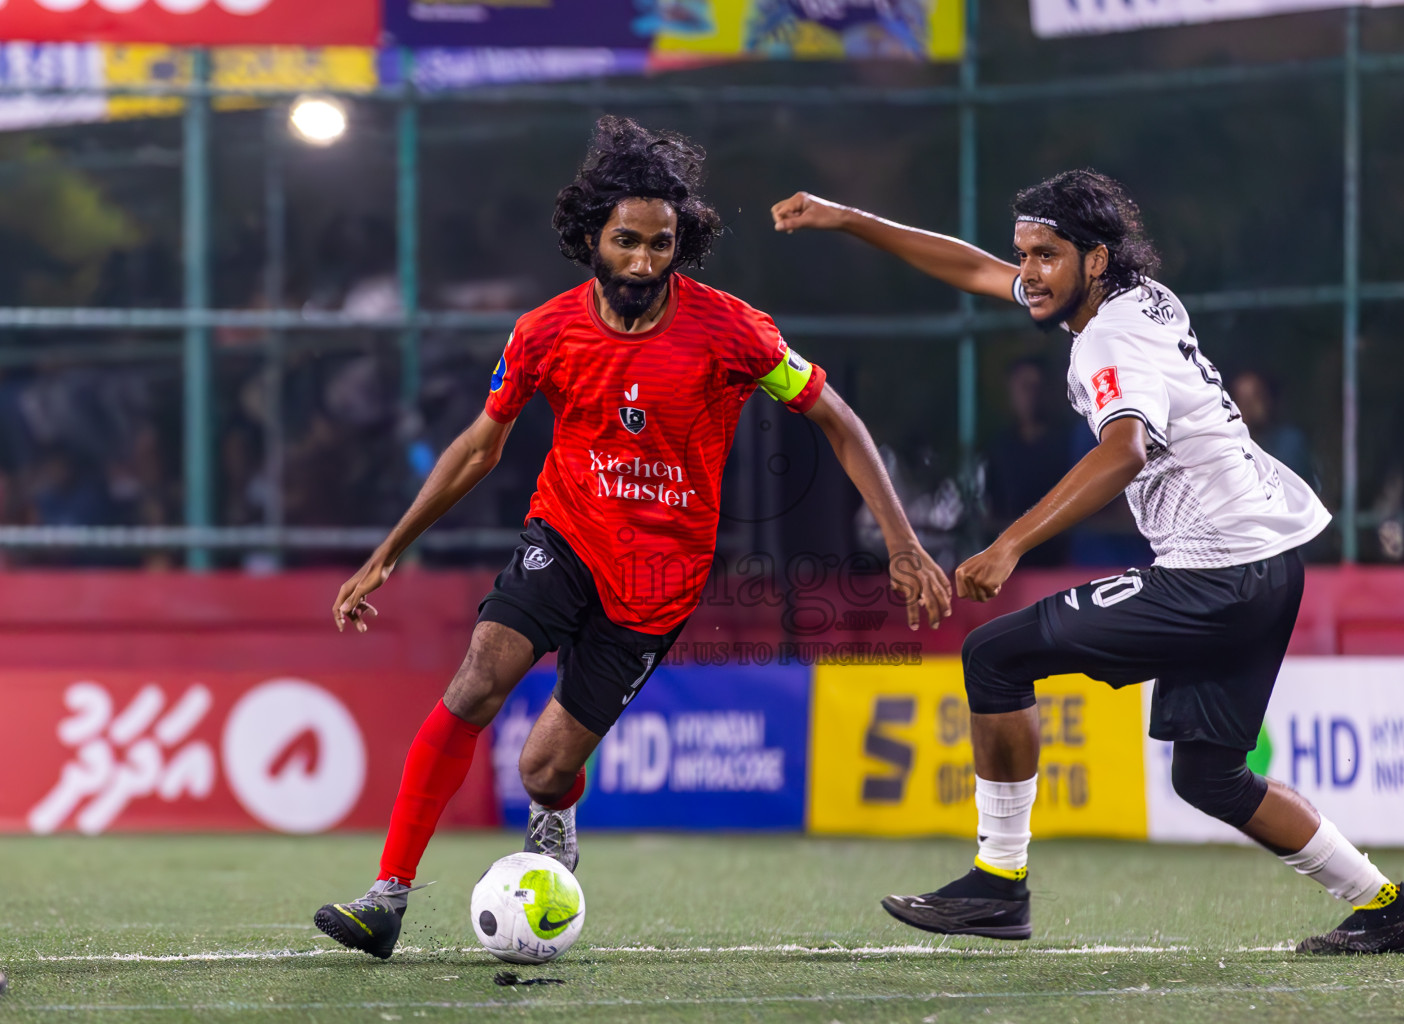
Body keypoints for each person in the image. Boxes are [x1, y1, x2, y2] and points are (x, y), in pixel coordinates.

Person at [313, 117, 952, 960]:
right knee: (477, 681)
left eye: (662, 244)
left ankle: (555, 816)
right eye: (628, 243)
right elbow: (478, 446)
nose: (646, 263)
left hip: (658, 579)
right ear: (590, 239)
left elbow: (836, 418)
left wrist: (903, 542)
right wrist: (387, 551)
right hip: (565, 535)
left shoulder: (736, 333)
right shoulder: (543, 333)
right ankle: (386, 897)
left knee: (543, 770)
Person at [771, 170, 1404, 955]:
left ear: (1094, 260)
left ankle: (998, 882)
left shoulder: (1108, 337)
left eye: (1045, 256)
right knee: (1209, 776)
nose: (1026, 273)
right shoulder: (1139, 296)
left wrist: (1010, 542)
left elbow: (1123, 451)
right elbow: (972, 270)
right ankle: (1389, 906)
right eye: (1024, 254)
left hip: (1214, 573)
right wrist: (849, 217)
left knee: (994, 654)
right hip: (1269, 560)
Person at [982, 358, 1070, 566]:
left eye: (1035, 387)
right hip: (1009, 556)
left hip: (1056, 555)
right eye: (1023, 387)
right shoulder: (998, 447)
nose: (1030, 395)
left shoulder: (1066, 443)